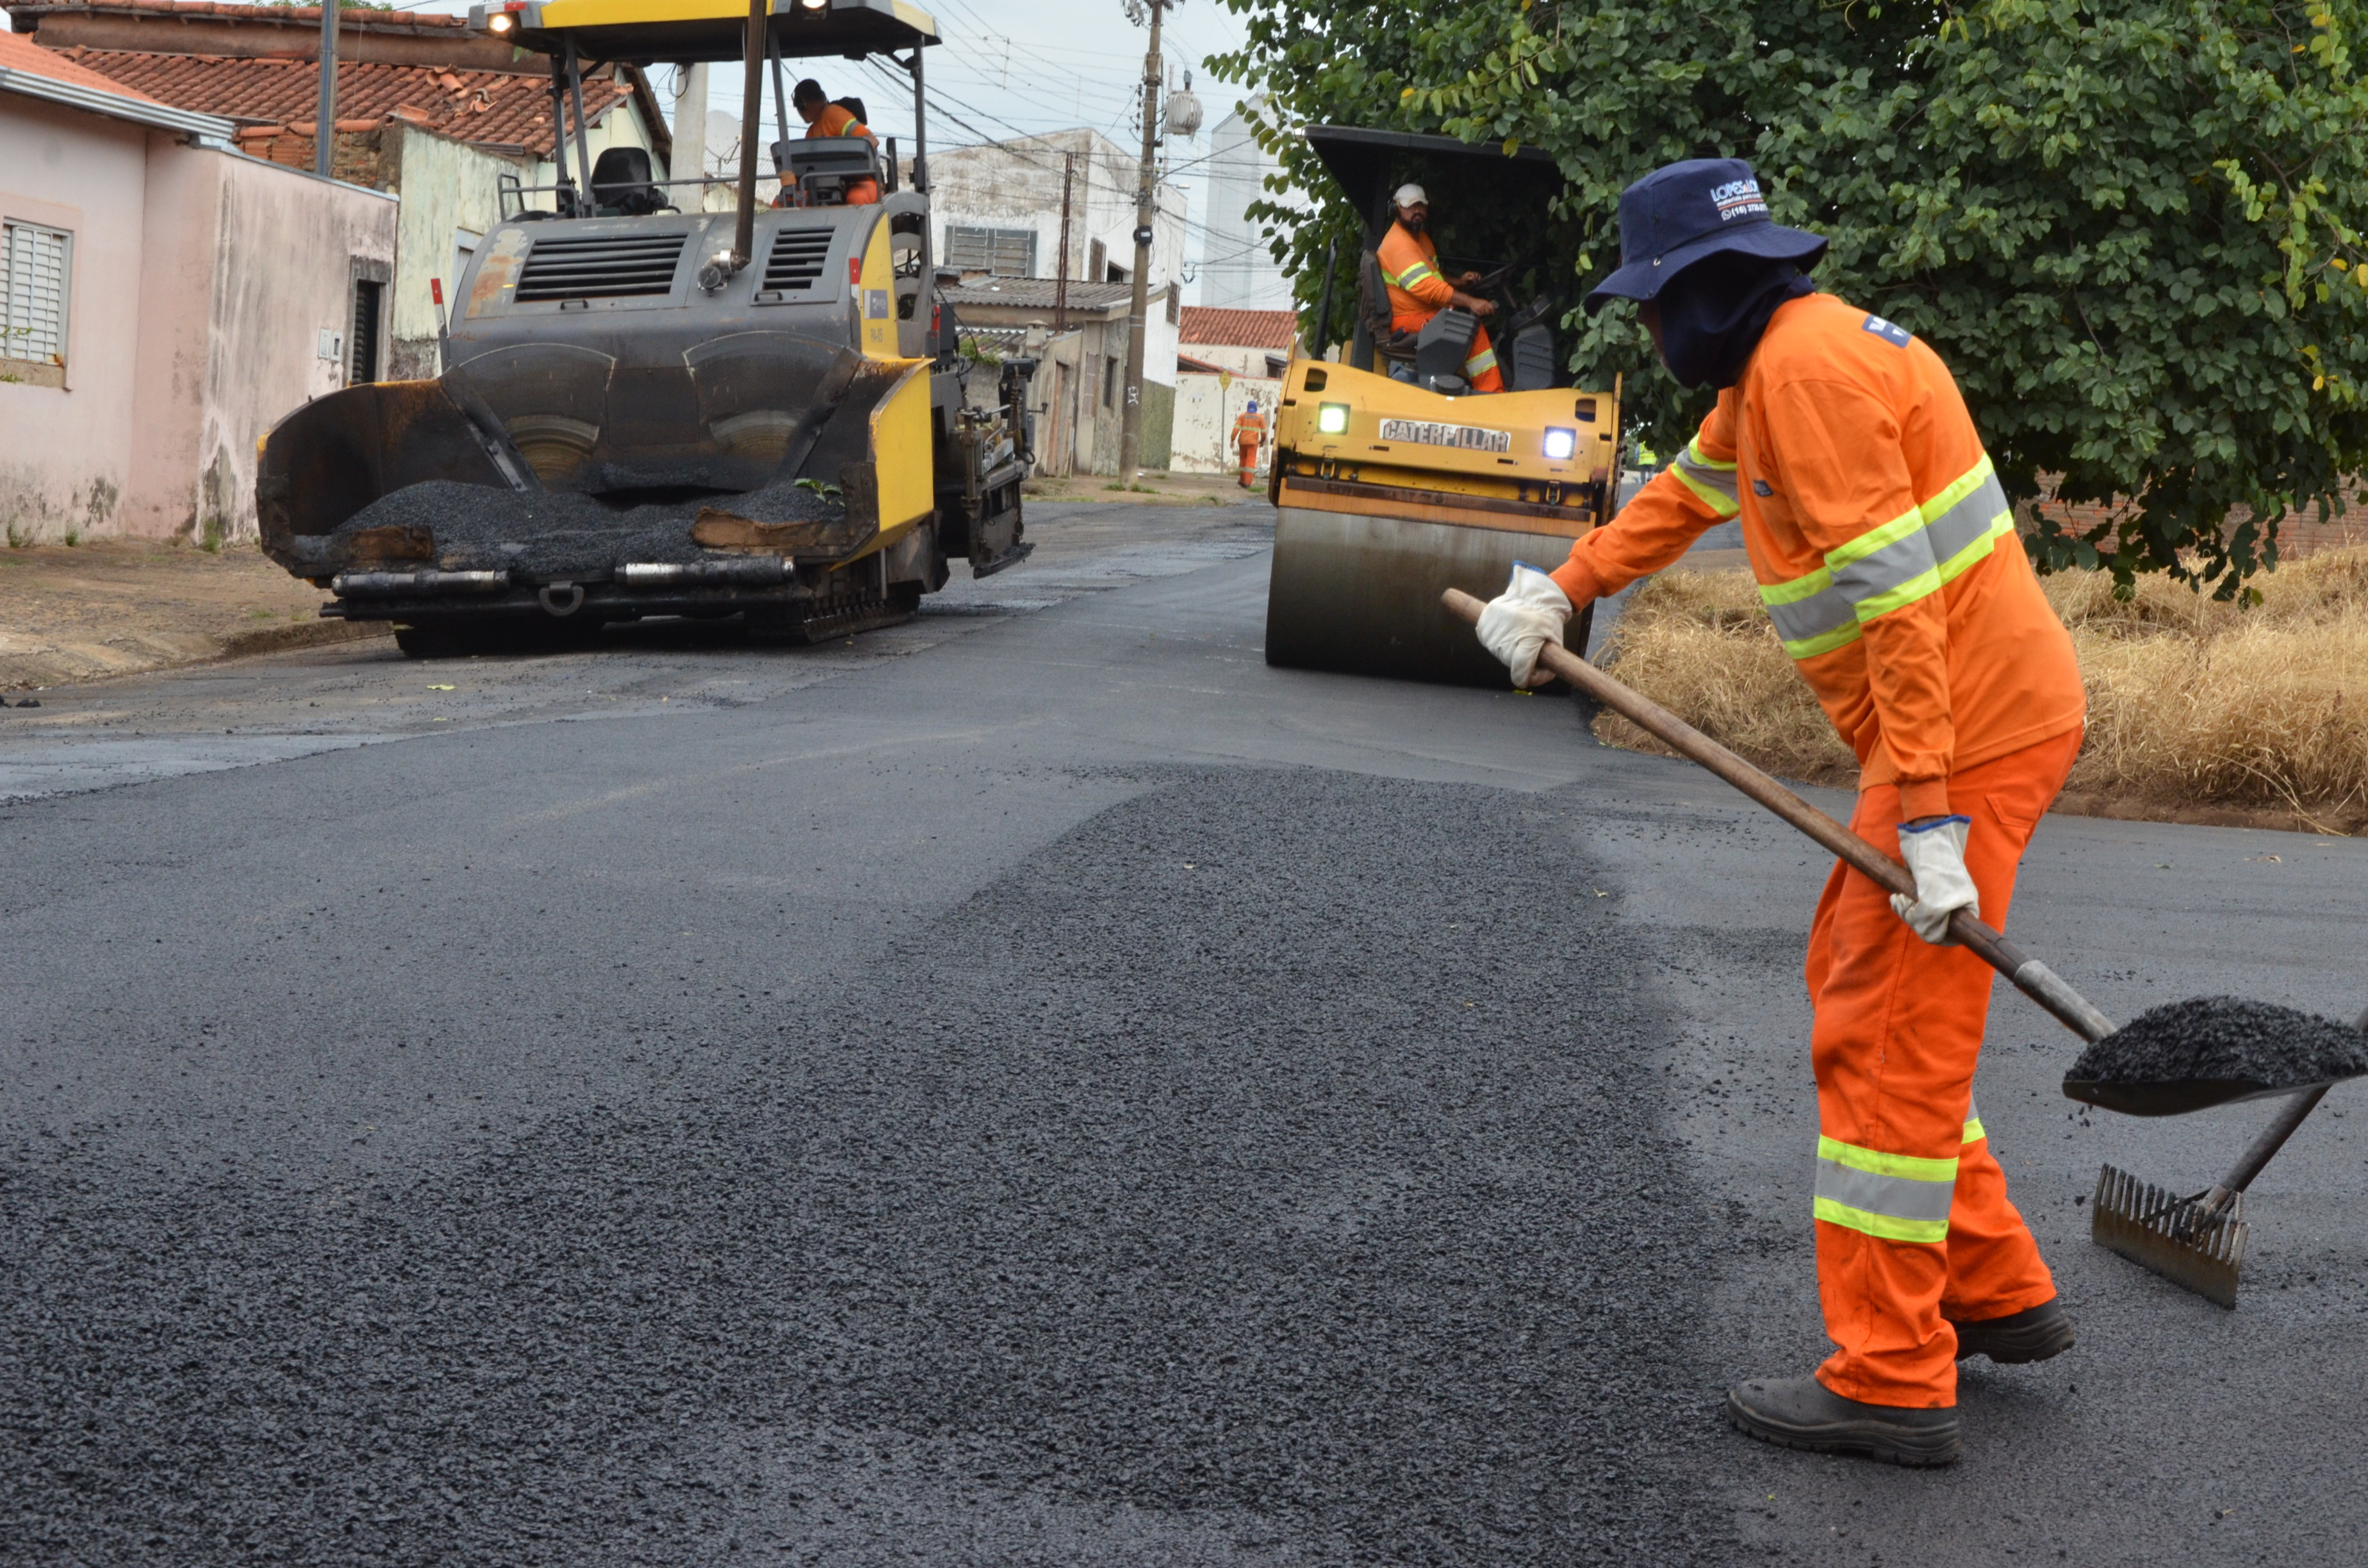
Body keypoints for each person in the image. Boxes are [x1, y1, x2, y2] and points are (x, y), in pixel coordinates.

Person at [1476, 159, 2087, 1467]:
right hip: (1968, 730)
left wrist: (1926, 819)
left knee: (1880, 1047)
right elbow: (1681, 501)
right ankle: (1989, 1288)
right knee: (1868, 999)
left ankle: (1892, 1374)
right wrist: (1559, 590)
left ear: (1704, 294)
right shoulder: (1778, 368)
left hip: (1962, 738)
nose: (1649, 331)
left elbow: (1901, 604)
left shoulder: (1807, 376)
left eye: (1651, 306)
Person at [1375, 183, 1502, 391]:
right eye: (1410, 207)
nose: (1417, 211)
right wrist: (1471, 302)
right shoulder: (1399, 246)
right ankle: (1492, 393)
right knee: (1471, 329)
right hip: (1406, 320)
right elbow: (1428, 289)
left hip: (1422, 312)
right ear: (1396, 209)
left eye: (1421, 206)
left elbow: (1431, 275)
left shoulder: (1419, 239)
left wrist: (1459, 282)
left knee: (1461, 320)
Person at [773, 78, 878, 207]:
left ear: (803, 104)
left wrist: (848, 167)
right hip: (823, 188)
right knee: (782, 202)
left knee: (856, 199)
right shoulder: (811, 132)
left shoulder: (833, 113)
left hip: (861, 183)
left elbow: (871, 140)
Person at [1233, 398, 1268, 489]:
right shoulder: (1260, 417)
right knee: (1250, 462)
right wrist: (1262, 441)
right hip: (1253, 443)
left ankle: (1242, 480)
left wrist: (1232, 439)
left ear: (1248, 408)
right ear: (1256, 408)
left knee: (1243, 461)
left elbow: (1236, 429)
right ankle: (1247, 483)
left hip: (1242, 442)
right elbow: (1264, 432)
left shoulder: (1243, 416)